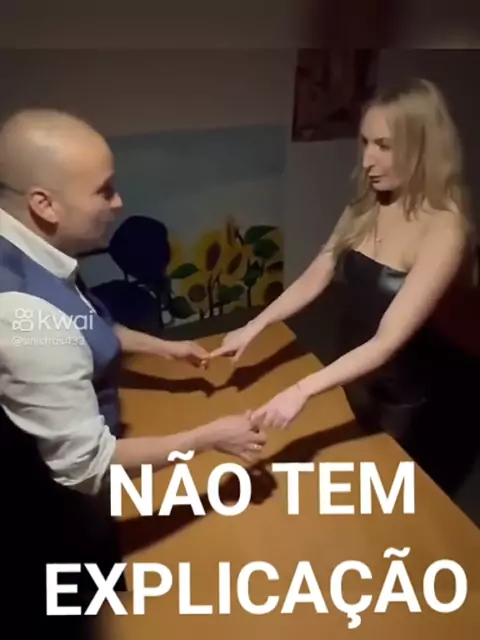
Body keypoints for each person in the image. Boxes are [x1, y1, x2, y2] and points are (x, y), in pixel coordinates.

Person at [0, 108, 266, 631]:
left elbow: (86, 324)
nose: (118, 203)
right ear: (43, 204)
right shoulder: (26, 316)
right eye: (104, 191)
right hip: (52, 521)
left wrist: (167, 348)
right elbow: (88, 466)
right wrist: (210, 437)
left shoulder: (33, 250)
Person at [210, 78, 480, 497]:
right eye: (365, 142)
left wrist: (300, 390)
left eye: (384, 146)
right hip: (352, 370)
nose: (368, 159)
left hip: (407, 398)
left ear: (422, 147)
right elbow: (316, 275)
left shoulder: (446, 229)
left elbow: (388, 341)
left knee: (397, 502)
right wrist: (254, 325)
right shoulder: (365, 205)